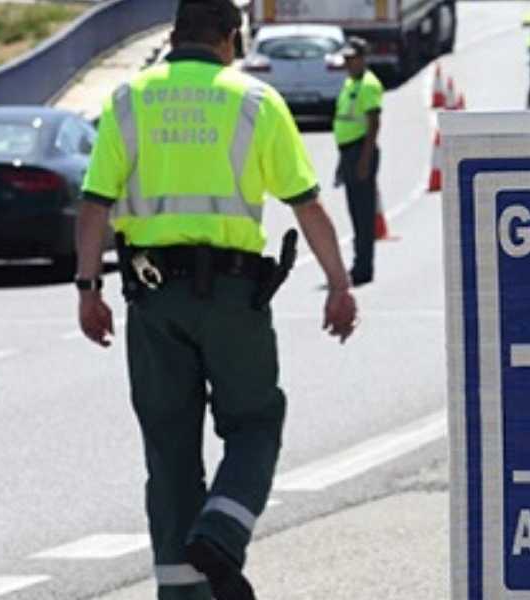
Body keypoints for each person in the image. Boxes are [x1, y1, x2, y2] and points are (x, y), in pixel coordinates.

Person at [74, 1, 359, 598]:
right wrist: (338, 284)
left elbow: (95, 204)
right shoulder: (255, 101)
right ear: (231, 38)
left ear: (176, 35)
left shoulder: (128, 100)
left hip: (154, 299)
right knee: (255, 423)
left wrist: (88, 289)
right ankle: (223, 534)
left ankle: (184, 592)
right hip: (233, 298)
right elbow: (306, 204)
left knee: (170, 453)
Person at [333, 37, 384, 287]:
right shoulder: (350, 83)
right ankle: (358, 263)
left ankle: (364, 267)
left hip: (361, 151)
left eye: (352, 58)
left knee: (363, 215)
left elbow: (373, 124)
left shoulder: (369, 85)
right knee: (355, 212)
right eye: (346, 59)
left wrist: (364, 160)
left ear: (363, 58)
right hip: (348, 152)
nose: (348, 63)